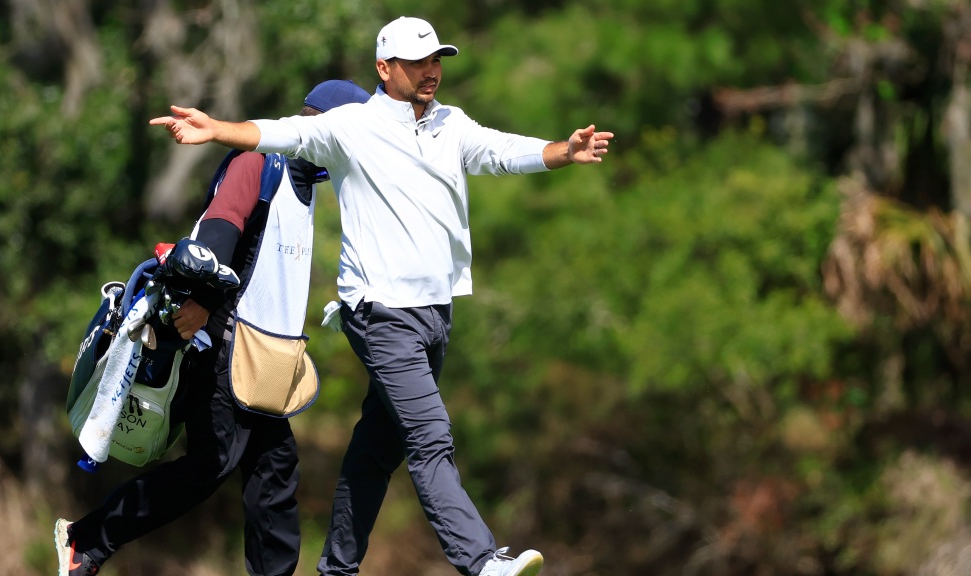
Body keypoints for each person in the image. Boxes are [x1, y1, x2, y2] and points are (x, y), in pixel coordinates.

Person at [149, 15, 614, 576]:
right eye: (417, 63)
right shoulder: (352, 126)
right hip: (381, 313)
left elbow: (500, 150)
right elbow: (281, 132)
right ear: (384, 68)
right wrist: (217, 128)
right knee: (429, 434)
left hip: (436, 313)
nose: (431, 72)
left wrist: (563, 150)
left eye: (436, 60)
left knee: (377, 451)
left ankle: (337, 569)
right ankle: (480, 559)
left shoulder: (450, 124)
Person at [55, 79, 372, 576]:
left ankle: (90, 543)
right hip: (224, 341)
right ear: (326, 127)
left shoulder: (305, 181)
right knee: (214, 464)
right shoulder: (260, 161)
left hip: (263, 358)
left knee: (274, 474)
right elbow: (221, 227)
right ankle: (87, 541)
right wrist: (203, 298)